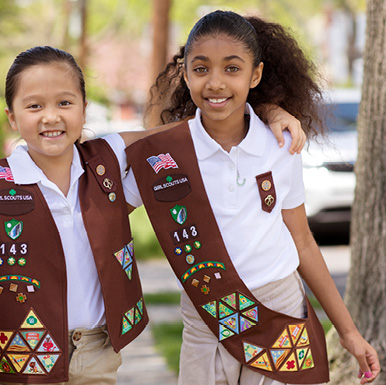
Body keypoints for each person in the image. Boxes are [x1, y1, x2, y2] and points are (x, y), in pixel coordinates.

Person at [0, 46, 305, 385]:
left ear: (83, 109)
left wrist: (265, 111)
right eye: (33, 106)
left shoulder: (110, 160)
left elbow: (192, 130)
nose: (50, 116)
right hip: (16, 358)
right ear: (12, 116)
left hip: (98, 352)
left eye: (64, 103)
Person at [123, 10, 380, 385]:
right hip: (206, 319)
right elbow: (103, 204)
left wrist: (349, 332)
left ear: (254, 75)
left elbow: (303, 241)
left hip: (279, 312)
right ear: (185, 74)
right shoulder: (166, 155)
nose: (215, 82)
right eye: (201, 69)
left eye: (232, 68)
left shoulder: (280, 144)